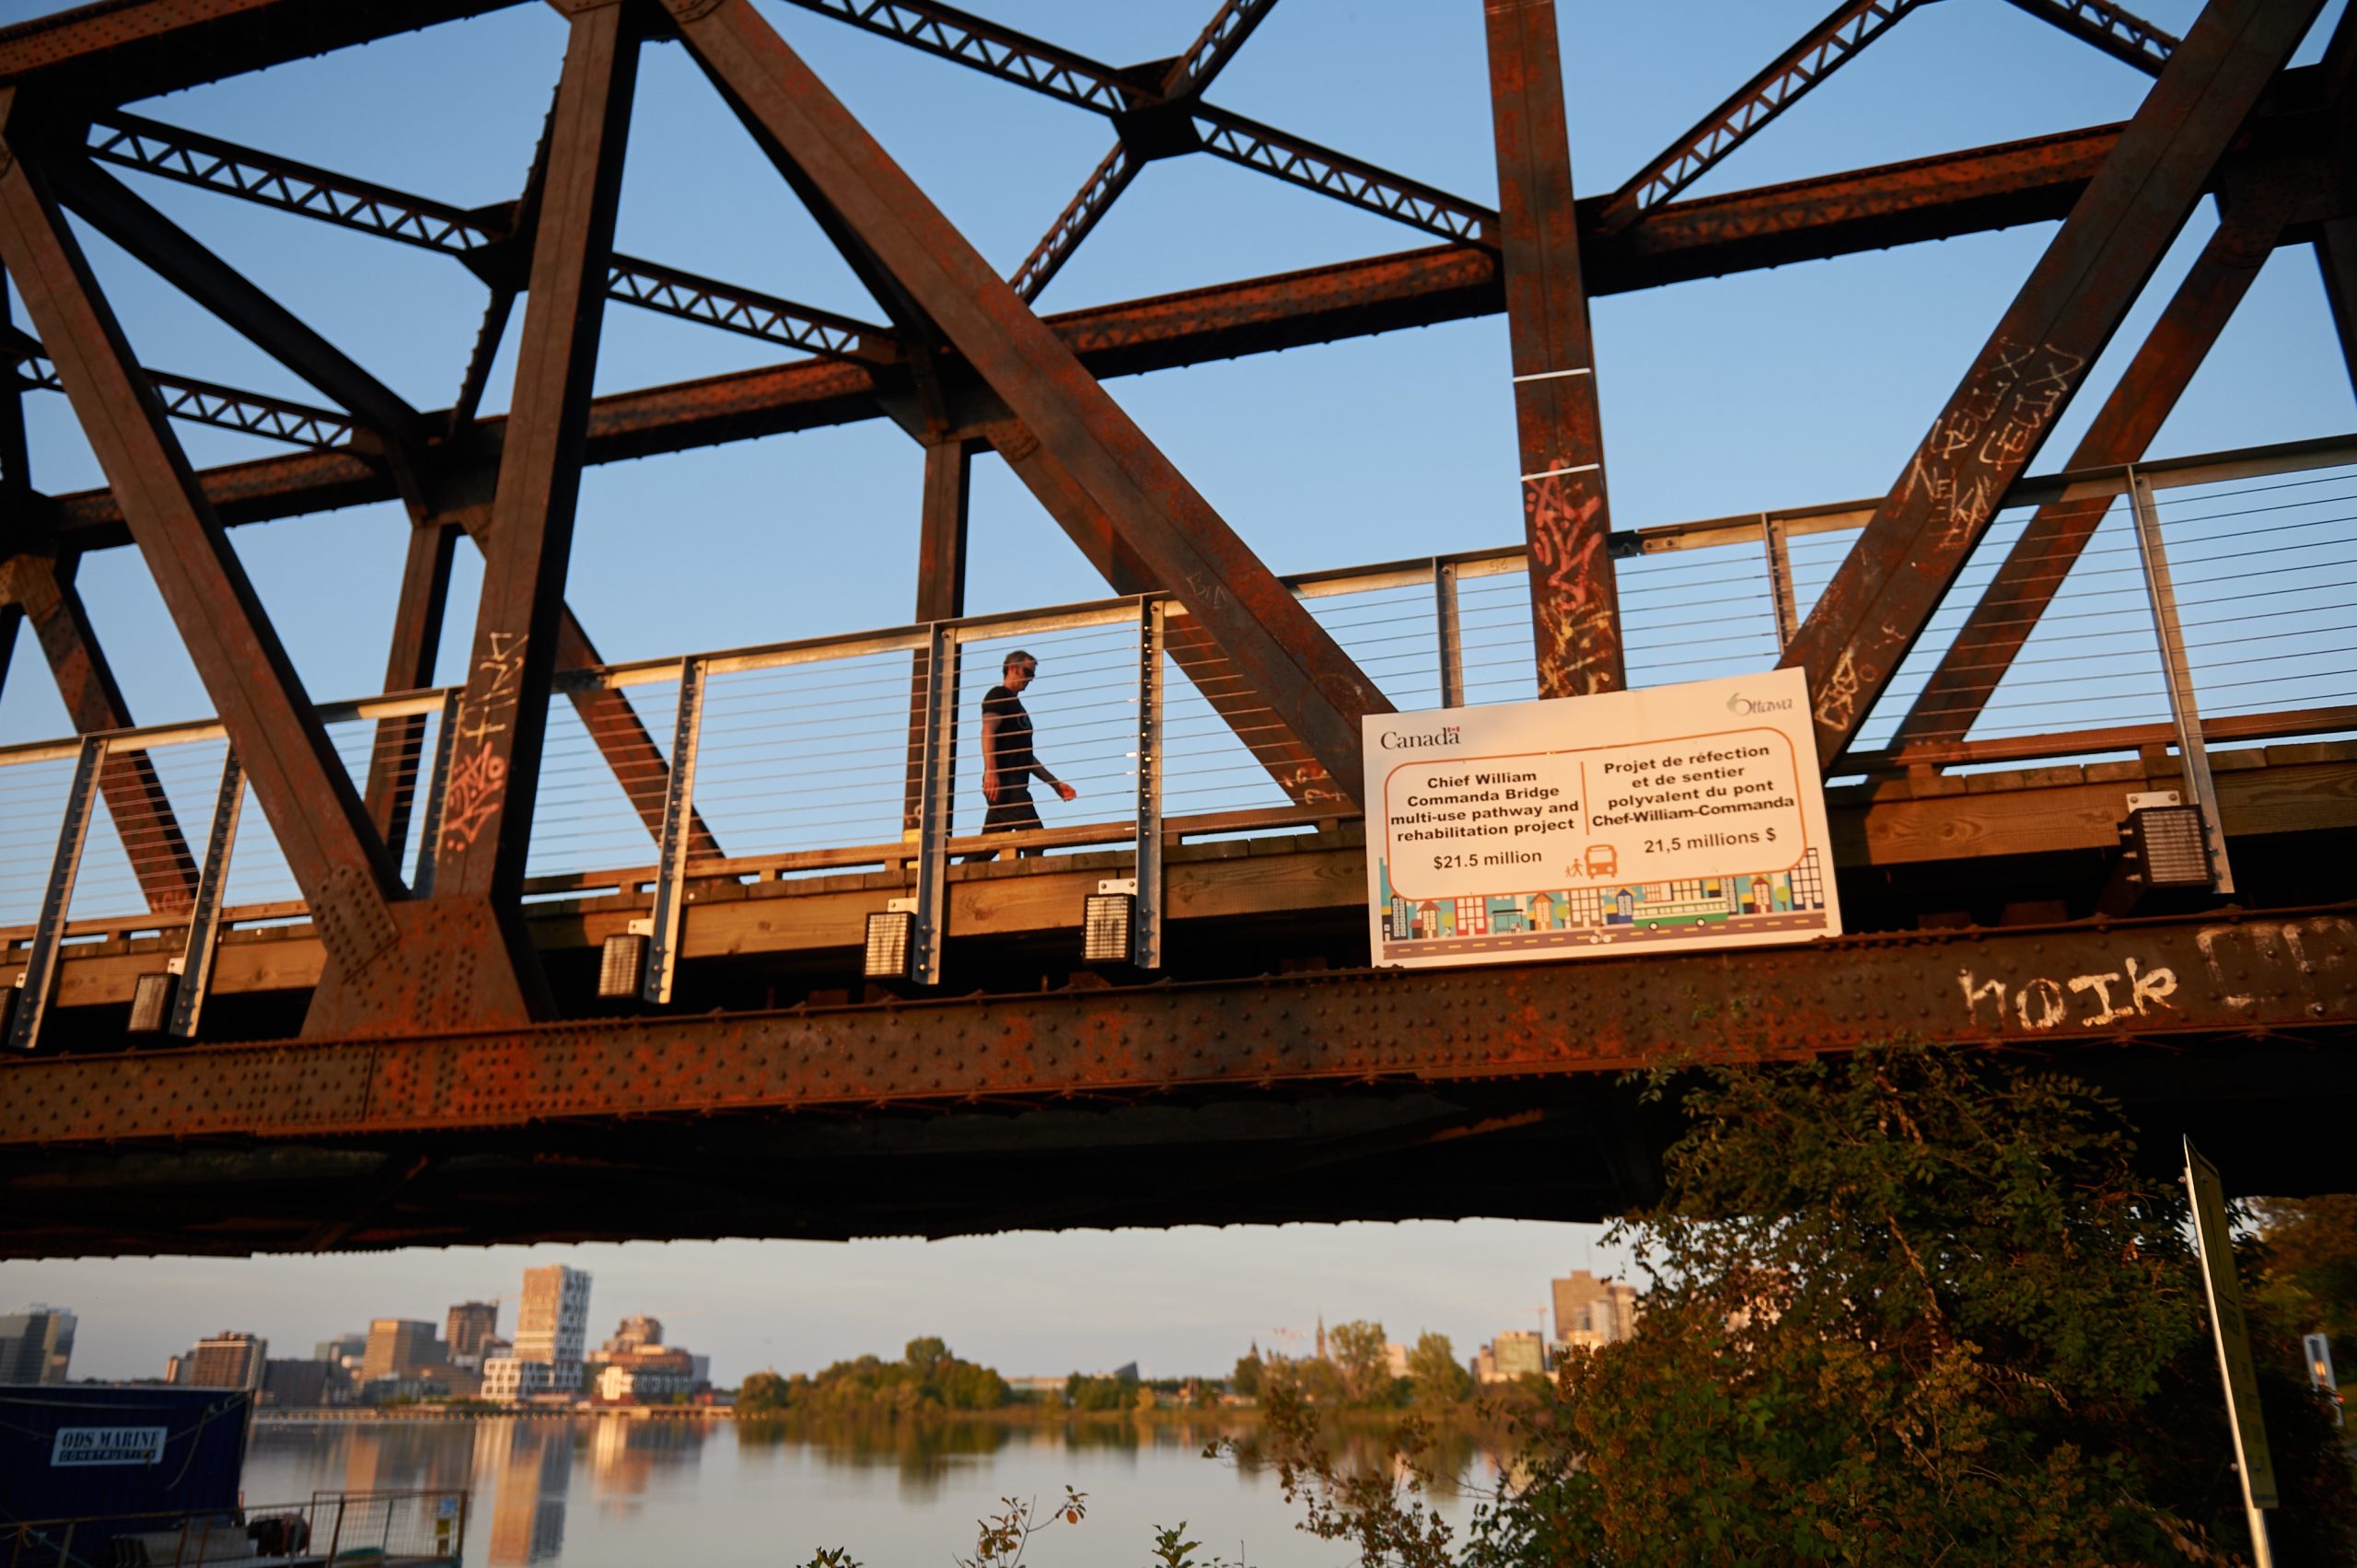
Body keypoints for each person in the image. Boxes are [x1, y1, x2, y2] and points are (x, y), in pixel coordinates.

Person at [979, 649, 1075, 854]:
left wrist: (1055, 784)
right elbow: (987, 731)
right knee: (1035, 838)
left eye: (1032, 674)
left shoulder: (1016, 705)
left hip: (1012, 786)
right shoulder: (998, 695)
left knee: (985, 849)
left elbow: (1026, 756)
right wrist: (991, 771)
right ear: (1012, 668)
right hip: (1006, 785)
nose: (1030, 679)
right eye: (1027, 672)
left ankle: (959, 882)